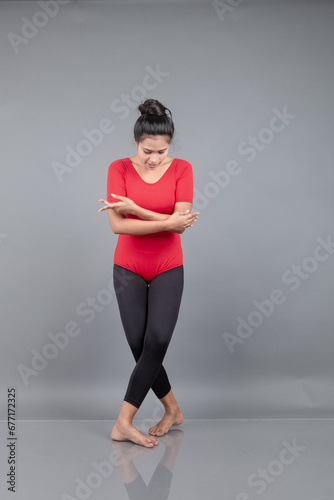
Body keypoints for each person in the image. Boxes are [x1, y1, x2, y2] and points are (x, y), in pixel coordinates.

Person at [98, 98, 199, 448]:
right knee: (139, 346)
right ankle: (173, 410)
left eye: (162, 151)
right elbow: (117, 226)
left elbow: (180, 227)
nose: (154, 158)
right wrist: (167, 221)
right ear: (136, 141)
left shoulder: (182, 168)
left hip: (168, 264)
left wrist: (136, 209)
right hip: (128, 266)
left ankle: (123, 422)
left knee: (157, 340)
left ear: (169, 145)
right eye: (147, 151)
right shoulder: (118, 169)